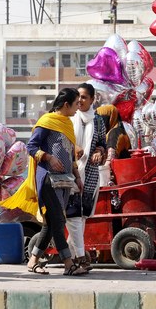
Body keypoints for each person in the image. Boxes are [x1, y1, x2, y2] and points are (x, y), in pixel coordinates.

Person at [1, 88, 87, 276]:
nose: (76, 109)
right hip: (48, 180)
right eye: (75, 105)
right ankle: (68, 264)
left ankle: (32, 261)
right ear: (66, 105)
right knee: (58, 221)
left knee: (50, 224)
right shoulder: (47, 123)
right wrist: (48, 157)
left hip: (65, 181)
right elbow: (31, 146)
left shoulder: (67, 124)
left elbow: (70, 153)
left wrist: (78, 177)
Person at [65, 83, 107, 269]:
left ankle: (70, 254)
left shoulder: (98, 121)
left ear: (92, 99)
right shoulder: (69, 117)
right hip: (70, 173)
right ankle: (79, 256)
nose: (80, 101)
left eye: (84, 97)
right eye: (78, 97)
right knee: (73, 216)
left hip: (89, 174)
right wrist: (74, 148)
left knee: (81, 217)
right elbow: (61, 140)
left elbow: (102, 144)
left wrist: (99, 151)